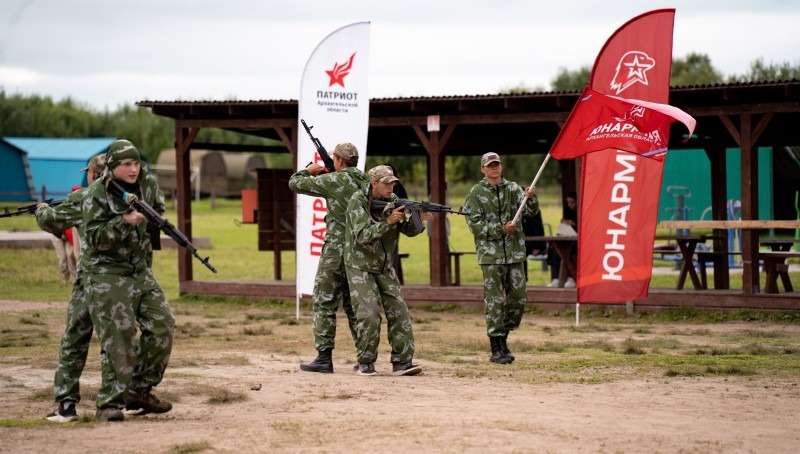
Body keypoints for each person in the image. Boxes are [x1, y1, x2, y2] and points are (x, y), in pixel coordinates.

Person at [81, 139, 174, 421]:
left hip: (139, 268)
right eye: (126, 165)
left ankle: (139, 391)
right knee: (119, 336)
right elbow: (95, 238)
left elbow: (158, 206)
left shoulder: (147, 183)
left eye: (136, 163)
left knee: (162, 326)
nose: (134, 169)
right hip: (107, 271)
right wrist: (123, 221)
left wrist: (150, 220)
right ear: (112, 166)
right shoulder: (95, 195)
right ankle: (109, 403)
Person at [288, 143, 368, 373]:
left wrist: (309, 170)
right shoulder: (365, 182)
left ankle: (324, 358)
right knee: (355, 305)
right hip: (359, 251)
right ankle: (365, 358)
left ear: (340, 162)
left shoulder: (334, 180)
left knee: (324, 300)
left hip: (335, 250)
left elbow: (295, 183)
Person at [345, 165, 431, 376]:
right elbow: (363, 235)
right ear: (374, 183)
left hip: (384, 265)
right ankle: (365, 362)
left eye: (393, 182)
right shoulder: (358, 200)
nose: (391, 186)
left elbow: (407, 231)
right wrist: (388, 221)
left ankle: (402, 362)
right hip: (360, 265)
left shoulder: (393, 201)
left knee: (399, 310)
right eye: (386, 183)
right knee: (369, 313)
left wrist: (418, 220)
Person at [36, 155, 105, 422]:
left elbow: (51, 220)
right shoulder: (120, 201)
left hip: (88, 280)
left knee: (74, 341)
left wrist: (41, 210)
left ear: (92, 175)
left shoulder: (84, 199)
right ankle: (114, 402)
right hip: (116, 282)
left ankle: (67, 404)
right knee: (113, 342)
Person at [464, 152, 538, 365]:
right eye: (490, 165)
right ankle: (496, 346)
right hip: (491, 257)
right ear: (483, 169)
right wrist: (500, 229)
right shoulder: (476, 193)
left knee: (519, 299)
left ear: (501, 167)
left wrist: (531, 197)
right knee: (495, 302)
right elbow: (475, 224)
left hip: (515, 255)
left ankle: (504, 334)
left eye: (497, 164)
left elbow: (531, 212)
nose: (494, 168)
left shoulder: (514, 189)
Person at [547, 191, 578, 288]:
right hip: (568, 235)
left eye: (572, 203)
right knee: (556, 249)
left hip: (578, 238)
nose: (570, 205)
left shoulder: (581, 210)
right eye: (568, 203)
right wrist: (564, 222)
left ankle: (572, 277)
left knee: (571, 250)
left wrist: (573, 224)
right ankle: (556, 278)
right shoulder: (567, 210)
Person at [383, 163, 408, 284]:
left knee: (393, 251)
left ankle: (393, 278)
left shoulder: (397, 190)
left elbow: (404, 204)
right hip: (387, 224)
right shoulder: (363, 198)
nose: (390, 187)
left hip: (395, 225)